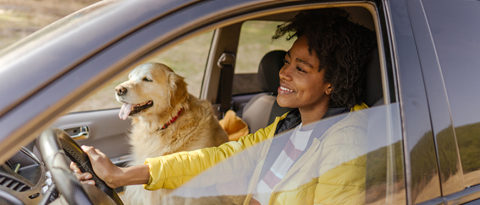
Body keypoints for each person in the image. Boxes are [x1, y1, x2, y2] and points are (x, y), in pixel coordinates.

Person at [71, 8, 376, 204]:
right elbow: (217, 159)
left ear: (332, 82)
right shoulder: (291, 125)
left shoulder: (347, 143)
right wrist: (120, 176)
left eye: (301, 68)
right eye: (286, 61)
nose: (283, 73)